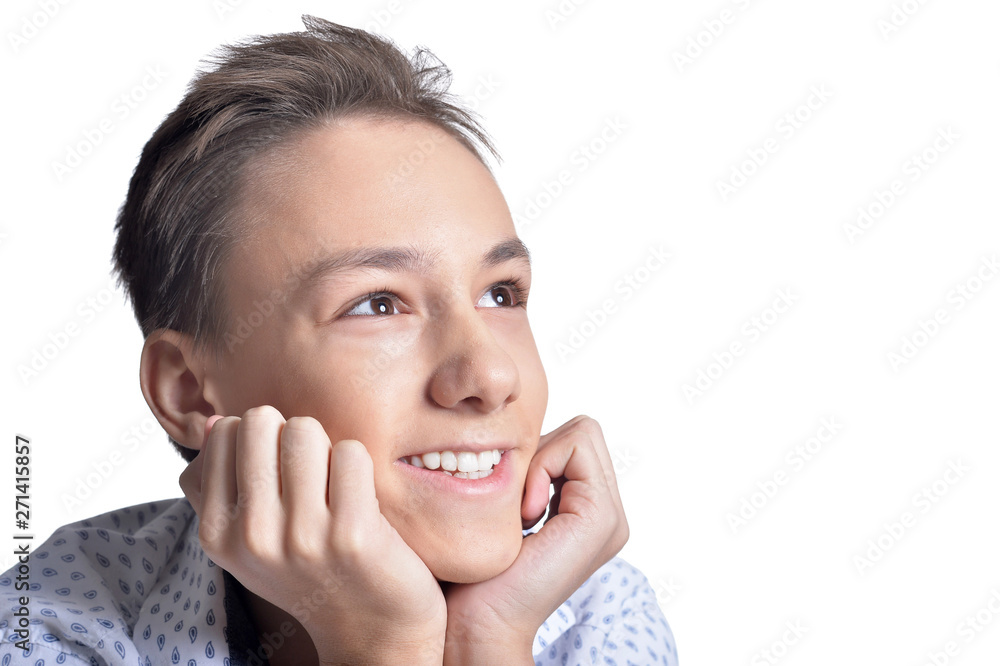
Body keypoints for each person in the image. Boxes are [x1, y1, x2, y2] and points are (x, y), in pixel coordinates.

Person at [0, 16, 678, 665]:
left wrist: (491, 641)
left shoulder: (599, 615)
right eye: (378, 304)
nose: (491, 375)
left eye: (500, 293)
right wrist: (381, 649)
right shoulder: (53, 623)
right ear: (186, 390)